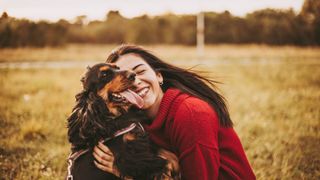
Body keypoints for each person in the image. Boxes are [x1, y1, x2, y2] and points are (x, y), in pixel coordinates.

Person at [92, 44, 256, 179]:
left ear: (159, 76)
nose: (134, 81)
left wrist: (124, 172)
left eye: (140, 71)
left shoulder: (191, 113)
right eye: (124, 79)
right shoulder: (132, 123)